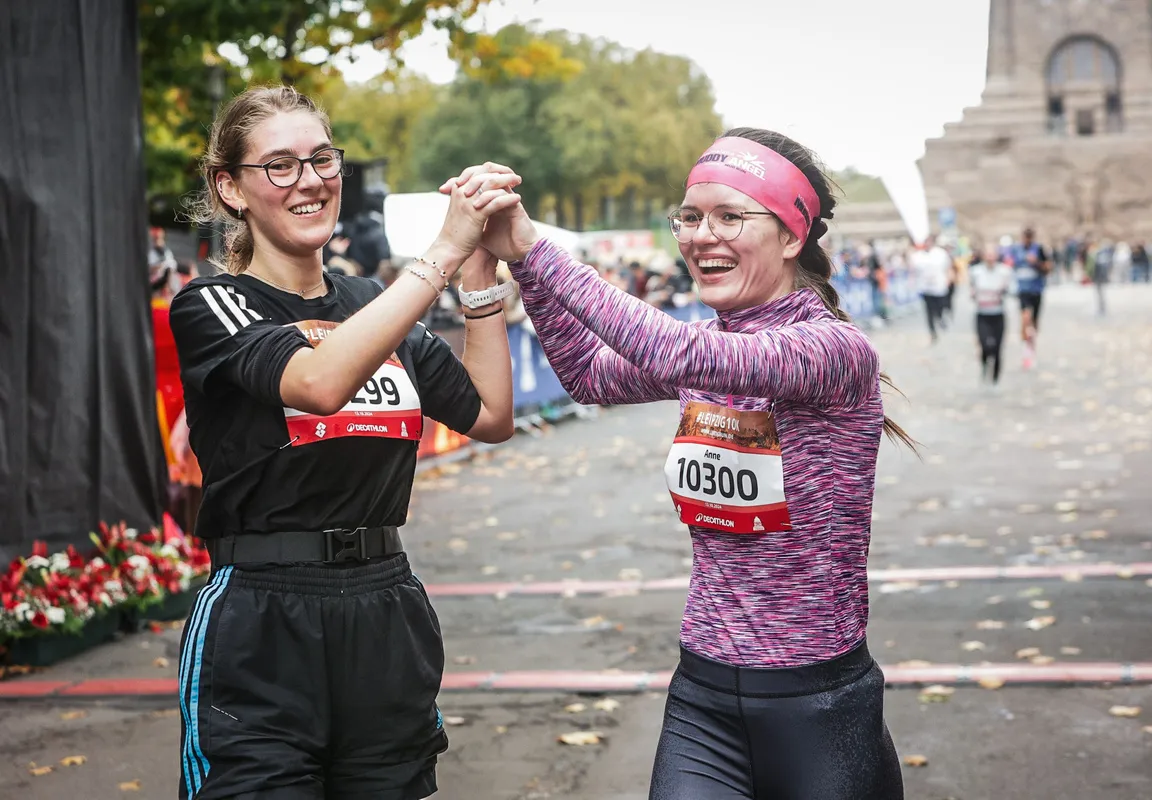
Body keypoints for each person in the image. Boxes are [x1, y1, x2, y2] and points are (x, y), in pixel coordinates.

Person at [446, 128, 910, 799]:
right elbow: (588, 375)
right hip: (703, 701)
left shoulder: (833, 351)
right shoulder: (708, 341)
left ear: (791, 237)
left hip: (821, 710)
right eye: (690, 217)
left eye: (730, 216)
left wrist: (533, 248)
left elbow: (672, 356)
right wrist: (520, 265)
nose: (700, 235)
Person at [169, 85, 518, 800]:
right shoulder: (212, 304)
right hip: (261, 618)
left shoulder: (372, 306)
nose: (310, 180)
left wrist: (479, 282)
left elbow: (488, 415)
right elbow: (320, 382)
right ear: (229, 188)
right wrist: (444, 251)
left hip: (385, 608)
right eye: (281, 165)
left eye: (322, 159)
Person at [968, 245, 1012, 385]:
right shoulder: (975, 271)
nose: (990, 257)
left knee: (997, 348)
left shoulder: (1005, 271)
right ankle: (984, 366)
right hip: (982, 314)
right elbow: (972, 290)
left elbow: (1012, 289)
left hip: (998, 314)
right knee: (985, 345)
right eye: (987, 254)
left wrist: (1004, 291)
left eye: (992, 254)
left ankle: (995, 377)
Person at [911, 235, 952, 343]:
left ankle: (940, 318)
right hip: (925, 287)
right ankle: (932, 332)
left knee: (939, 307)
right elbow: (914, 270)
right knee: (929, 310)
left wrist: (948, 278)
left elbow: (948, 267)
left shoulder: (941, 254)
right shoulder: (918, 256)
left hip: (939, 287)